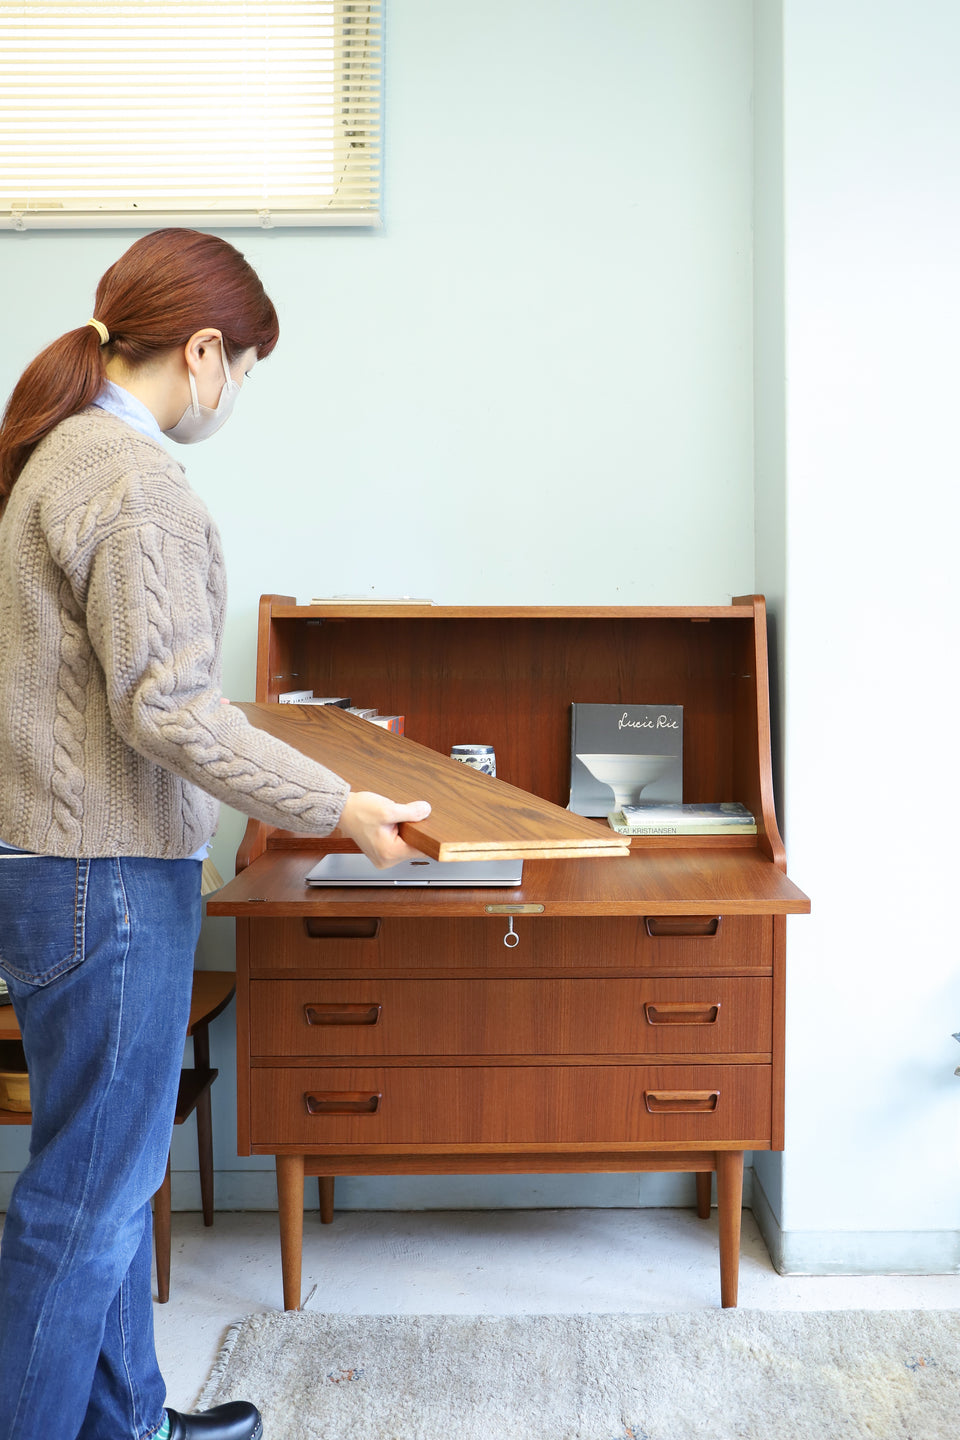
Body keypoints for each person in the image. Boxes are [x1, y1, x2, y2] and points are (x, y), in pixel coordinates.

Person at [0, 229, 431, 1440]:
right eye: (244, 366)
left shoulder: (53, 457)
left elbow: (117, 688)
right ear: (203, 353)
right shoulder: (139, 486)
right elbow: (168, 707)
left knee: (102, 1178)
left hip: (51, 869)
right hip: (110, 878)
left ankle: (127, 1424)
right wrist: (338, 807)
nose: (236, 390)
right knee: (85, 1202)